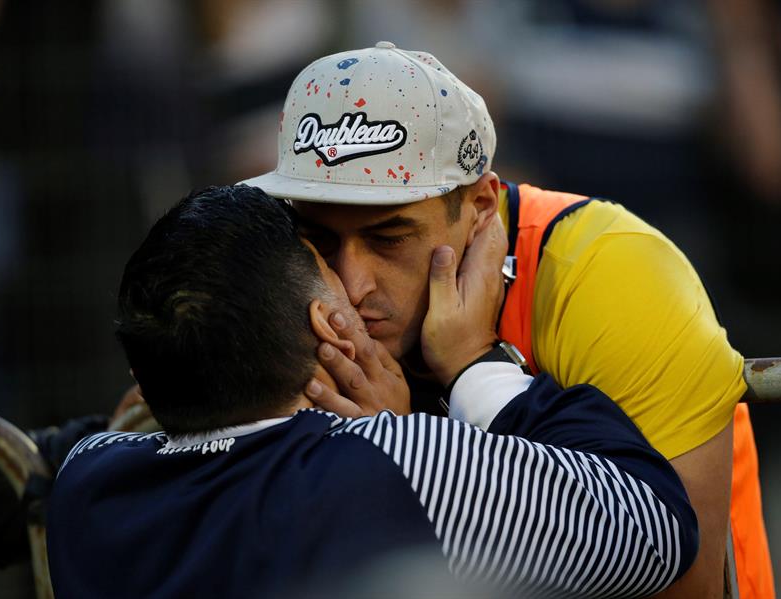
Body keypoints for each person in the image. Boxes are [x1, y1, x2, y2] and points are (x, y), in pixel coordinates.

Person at [239, 42, 771, 597]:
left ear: (481, 209)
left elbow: (685, 585)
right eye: (321, 240)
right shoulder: (283, 284)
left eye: (388, 238)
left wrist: (420, 441)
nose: (351, 285)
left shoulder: (607, 272)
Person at [46, 184, 698, 598]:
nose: (358, 283)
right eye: (328, 257)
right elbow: (656, 525)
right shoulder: (402, 461)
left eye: (384, 239)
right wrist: (475, 365)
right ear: (328, 323)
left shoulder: (83, 478)